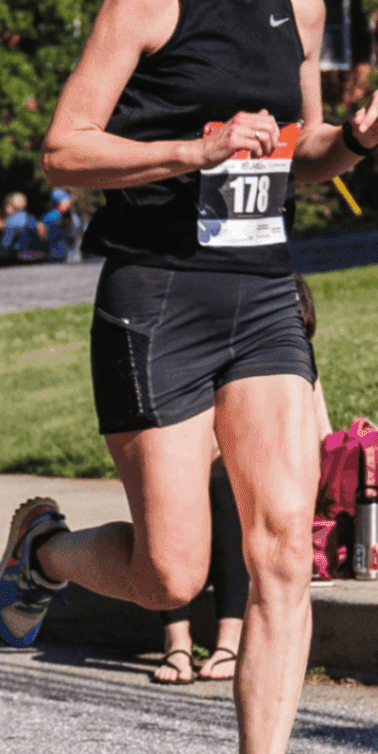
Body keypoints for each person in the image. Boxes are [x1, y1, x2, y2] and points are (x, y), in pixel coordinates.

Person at [0, 0, 378, 754]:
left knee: (280, 552)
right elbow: (64, 151)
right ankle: (41, 556)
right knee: (172, 575)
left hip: (261, 296)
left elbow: (300, 150)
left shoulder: (300, 7)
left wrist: (355, 139)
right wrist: (193, 149)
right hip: (158, 297)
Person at [150, 275, 331, 685]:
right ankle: (177, 643)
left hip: (245, 485)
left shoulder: (297, 363)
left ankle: (229, 641)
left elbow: (320, 434)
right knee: (180, 497)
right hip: (199, 472)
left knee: (231, 493)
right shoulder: (210, 353)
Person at [0, 191, 41, 267]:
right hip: (34, 255)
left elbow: (5, 245)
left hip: (19, 257)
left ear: (10, 205)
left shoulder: (10, 220)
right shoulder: (32, 218)